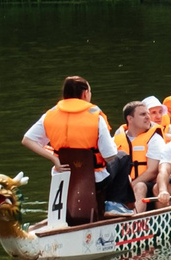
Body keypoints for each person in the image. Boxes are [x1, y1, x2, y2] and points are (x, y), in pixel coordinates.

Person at [26, 77, 110, 227]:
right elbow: (110, 155)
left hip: (62, 175)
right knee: (122, 158)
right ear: (85, 93)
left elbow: (28, 140)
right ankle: (115, 207)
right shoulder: (95, 115)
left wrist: (54, 159)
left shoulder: (50, 114)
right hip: (94, 178)